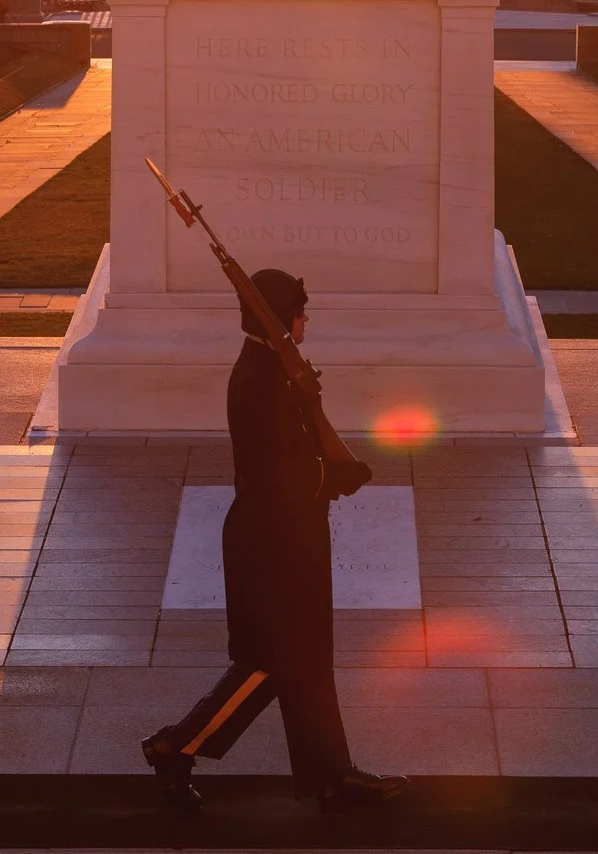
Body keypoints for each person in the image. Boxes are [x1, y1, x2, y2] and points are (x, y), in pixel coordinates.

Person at [141, 267, 406, 813]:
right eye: (300, 311)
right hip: (271, 542)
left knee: (306, 660)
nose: (306, 321)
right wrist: (336, 476)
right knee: (268, 663)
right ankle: (176, 744)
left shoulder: (274, 370)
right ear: (279, 317)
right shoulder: (261, 379)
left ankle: (332, 775)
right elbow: (280, 473)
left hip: (291, 534)